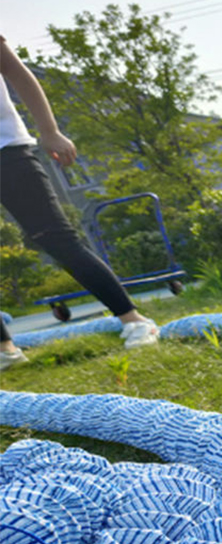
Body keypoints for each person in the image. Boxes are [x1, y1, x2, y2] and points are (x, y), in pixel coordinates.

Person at [0, 35, 159, 371]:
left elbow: (19, 75)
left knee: (57, 238)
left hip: (8, 153)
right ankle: (6, 349)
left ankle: (134, 319)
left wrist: (50, 130)